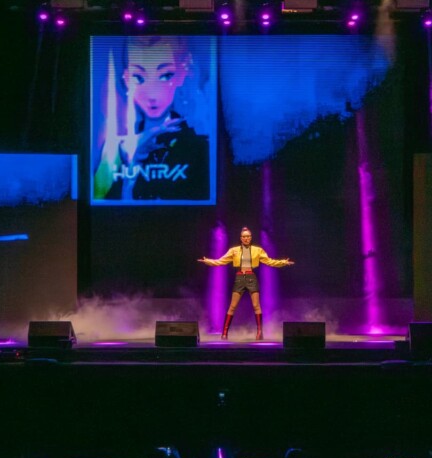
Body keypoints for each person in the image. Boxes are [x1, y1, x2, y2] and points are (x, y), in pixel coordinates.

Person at [93, 36, 210, 202]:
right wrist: (131, 163)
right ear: (126, 79)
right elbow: (100, 201)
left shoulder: (200, 148)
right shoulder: (115, 149)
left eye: (165, 75)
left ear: (181, 74)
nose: (152, 94)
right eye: (138, 77)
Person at [198, 228, 294, 340]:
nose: (246, 238)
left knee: (256, 306)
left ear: (251, 238)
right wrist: (208, 261)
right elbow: (220, 261)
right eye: (244, 236)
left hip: (251, 277)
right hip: (240, 278)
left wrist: (283, 262)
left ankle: (259, 332)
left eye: (248, 236)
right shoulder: (234, 250)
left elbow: (270, 261)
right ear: (241, 238)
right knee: (232, 306)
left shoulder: (257, 250)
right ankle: (224, 333)